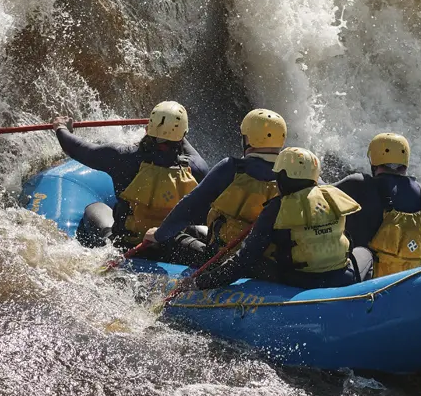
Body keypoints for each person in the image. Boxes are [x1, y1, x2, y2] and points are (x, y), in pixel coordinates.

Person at [183, 147, 373, 291]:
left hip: (299, 282)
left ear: (282, 177)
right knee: (364, 252)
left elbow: (244, 261)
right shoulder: (332, 196)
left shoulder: (276, 208)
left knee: (255, 261)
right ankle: (360, 298)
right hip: (342, 277)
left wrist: (200, 283)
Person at [52, 101, 210, 250]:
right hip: (172, 245)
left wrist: (61, 128)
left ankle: (109, 239)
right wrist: (173, 130)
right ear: (182, 134)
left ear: (148, 128)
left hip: (128, 244)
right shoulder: (196, 168)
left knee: (94, 208)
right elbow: (183, 145)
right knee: (200, 228)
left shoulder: (122, 157)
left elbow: (77, 148)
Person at [142, 109, 286, 266]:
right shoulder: (300, 176)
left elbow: (191, 205)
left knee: (172, 237)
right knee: (192, 230)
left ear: (248, 140)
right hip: (272, 264)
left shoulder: (232, 168)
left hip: (227, 261)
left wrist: (159, 234)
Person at [334, 133, 421, 278]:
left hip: (366, 284)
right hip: (406, 282)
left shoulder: (358, 184)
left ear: (373, 159)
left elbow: (318, 196)